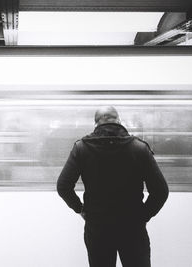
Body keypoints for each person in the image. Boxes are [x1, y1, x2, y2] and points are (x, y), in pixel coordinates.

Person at [57, 106, 169, 267]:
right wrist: (143, 216)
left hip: (97, 227)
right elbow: (161, 191)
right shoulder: (139, 148)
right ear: (119, 121)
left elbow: (63, 186)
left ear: (95, 124)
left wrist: (80, 208)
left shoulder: (81, 148)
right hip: (132, 227)